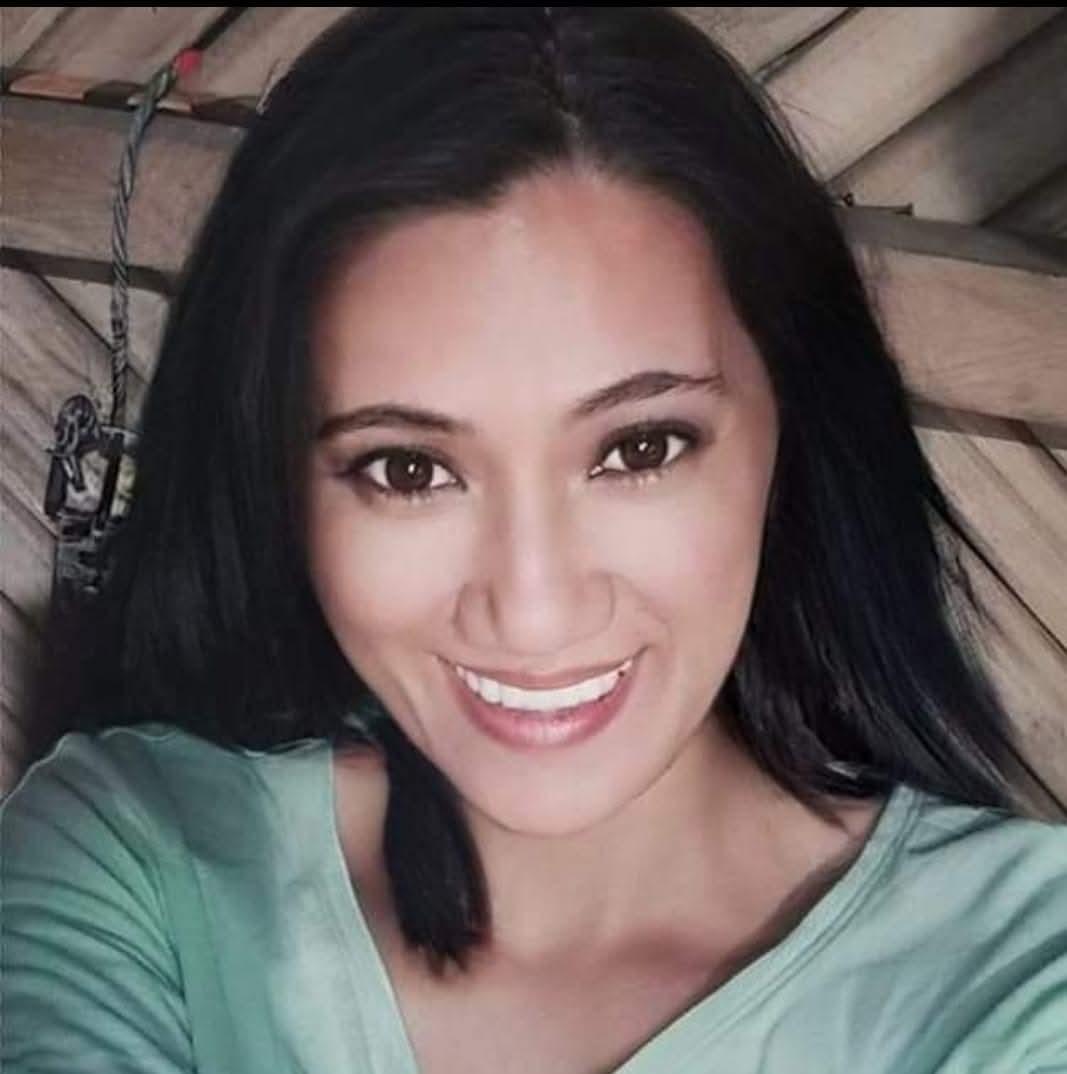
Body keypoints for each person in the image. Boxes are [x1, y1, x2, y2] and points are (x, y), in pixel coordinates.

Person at [3, 8, 1065, 1073]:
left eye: (639, 449)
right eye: (408, 471)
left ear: (793, 425)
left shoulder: (1023, 974)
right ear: (281, 481)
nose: (533, 607)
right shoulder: (139, 866)